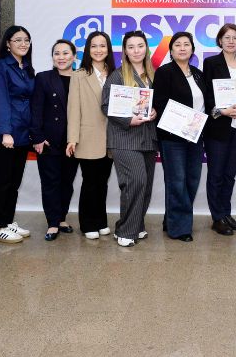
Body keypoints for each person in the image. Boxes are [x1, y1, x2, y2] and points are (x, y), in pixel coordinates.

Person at [101, 31, 158, 248]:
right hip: (124, 138)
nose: (136, 51)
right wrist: (128, 120)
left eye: (140, 46)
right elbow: (106, 106)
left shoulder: (154, 74)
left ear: (146, 48)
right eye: (131, 47)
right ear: (125, 50)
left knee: (145, 185)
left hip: (148, 138)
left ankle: (136, 224)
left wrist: (155, 111)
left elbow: (159, 102)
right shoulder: (117, 76)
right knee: (136, 181)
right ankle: (126, 230)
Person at [152, 32, 208, 242]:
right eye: (177, 45)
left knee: (192, 179)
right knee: (177, 181)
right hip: (172, 136)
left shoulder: (198, 74)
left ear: (192, 49)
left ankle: (172, 219)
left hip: (195, 135)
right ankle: (180, 229)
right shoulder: (164, 72)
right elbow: (159, 101)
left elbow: (205, 103)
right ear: (171, 50)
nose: (182, 48)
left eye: (186, 44)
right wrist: (184, 120)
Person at [202, 24, 236, 236]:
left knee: (229, 175)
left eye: (235, 37)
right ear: (220, 41)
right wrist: (222, 111)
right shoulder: (211, 63)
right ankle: (217, 218)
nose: (231, 41)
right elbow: (207, 95)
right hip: (218, 127)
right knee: (216, 174)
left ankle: (226, 213)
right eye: (227, 37)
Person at [0, 26, 35, 244]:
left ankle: (7, 221)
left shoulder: (26, 67)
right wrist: (5, 132)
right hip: (6, 135)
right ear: (8, 44)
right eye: (18, 40)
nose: (23, 44)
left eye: (26, 40)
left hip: (23, 134)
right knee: (2, 181)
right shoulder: (0, 67)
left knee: (14, 182)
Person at [67, 31, 114, 240]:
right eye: (94, 46)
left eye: (102, 46)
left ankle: (101, 221)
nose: (98, 50)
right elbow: (73, 110)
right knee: (90, 182)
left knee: (103, 181)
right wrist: (72, 138)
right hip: (87, 137)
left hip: (111, 138)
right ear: (87, 50)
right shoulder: (79, 75)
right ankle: (87, 223)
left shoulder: (116, 74)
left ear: (108, 49)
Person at [30, 39, 79, 241]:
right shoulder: (44, 78)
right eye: (57, 53)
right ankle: (52, 222)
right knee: (50, 182)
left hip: (73, 141)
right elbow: (36, 109)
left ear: (74, 57)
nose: (61, 57)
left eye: (65, 53)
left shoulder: (80, 78)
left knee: (67, 182)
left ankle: (61, 218)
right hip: (49, 140)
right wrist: (38, 137)